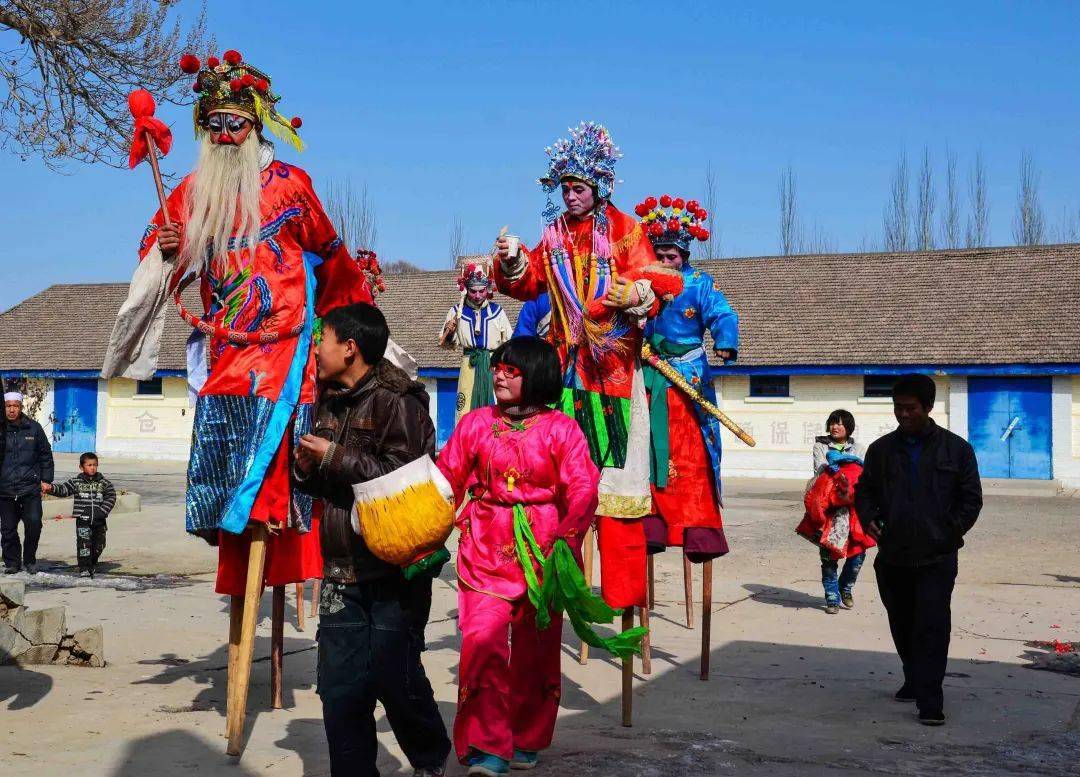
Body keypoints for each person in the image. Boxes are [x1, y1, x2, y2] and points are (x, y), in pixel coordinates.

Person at [103, 48, 374, 594]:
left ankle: (286, 563)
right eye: (217, 123)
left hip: (284, 350)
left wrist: (352, 325)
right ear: (206, 129)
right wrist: (168, 246)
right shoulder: (191, 191)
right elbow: (152, 250)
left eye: (238, 123)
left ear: (254, 125)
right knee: (224, 481)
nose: (227, 133)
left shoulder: (291, 184)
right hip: (225, 352)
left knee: (281, 481)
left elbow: (333, 254)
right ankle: (233, 559)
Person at [493, 121, 681, 612]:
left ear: (598, 187)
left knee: (615, 488)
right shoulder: (553, 233)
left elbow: (655, 280)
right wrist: (513, 260)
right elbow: (530, 280)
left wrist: (634, 293)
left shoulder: (623, 229)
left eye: (578, 188)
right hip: (564, 373)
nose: (571, 196)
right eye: (565, 188)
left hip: (612, 372)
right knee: (561, 488)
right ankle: (558, 588)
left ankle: (621, 599)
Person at [294, 303, 451, 777]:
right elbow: (322, 479)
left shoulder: (399, 401)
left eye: (323, 339)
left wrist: (335, 457)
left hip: (394, 571)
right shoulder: (323, 398)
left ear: (350, 347)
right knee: (340, 687)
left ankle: (429, 759)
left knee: (393, 675)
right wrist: (304, 472)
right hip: (341, 567)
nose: (316, 349)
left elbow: (403, 482)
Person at [436, 337, 601, 776]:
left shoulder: (562, 429)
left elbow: (583, 488)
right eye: (498, 367)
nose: (501, 375)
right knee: (482, 643)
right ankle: (488, 746)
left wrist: (568, 537)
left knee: (536, 651)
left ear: (538, 376)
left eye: (512, 369)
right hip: (483, 547)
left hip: (545, 551)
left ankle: (525, 736)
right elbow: (445, 478)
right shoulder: (474, 424)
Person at [854, 374, 982, 727]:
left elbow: (971, 500)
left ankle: (930, 700)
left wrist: (947, 533)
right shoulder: (881, 450)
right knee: (902, 621)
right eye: (898, 409)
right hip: (893, 555)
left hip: (936, 557)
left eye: (910, 408)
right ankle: (914, 678)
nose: (903, 415)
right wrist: (869, 519)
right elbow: (864, 492)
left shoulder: (957, 450)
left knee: (931, 625)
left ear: (928, 407)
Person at [638, 195, 737, 565]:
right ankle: (651, 520)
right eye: (659, 256)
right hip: (651, 372)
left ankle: (700, 525)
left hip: (690, 373)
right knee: (646, 441)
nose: (665, 263)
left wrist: (725, 340)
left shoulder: (700, 284)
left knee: (695, 445)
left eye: (671, 257)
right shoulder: (642, 285)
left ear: (685, 254)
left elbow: (722, 314)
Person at [439, 262, 513, 423]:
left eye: (482, 291)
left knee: (496, 407)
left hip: (493, 367)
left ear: (488, 289)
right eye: (473, 291)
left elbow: (510, 344)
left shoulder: (498, 312)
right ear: (466, 289)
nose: (478, 296)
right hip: (468, 366)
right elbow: (446, 344)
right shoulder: (455, 312)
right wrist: (450, 332)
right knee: (464, 407)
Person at [810, 409, 868, 613]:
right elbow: (821, 468)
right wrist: (840, 466)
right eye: (833, 423)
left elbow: (862, 475)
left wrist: (843, 465)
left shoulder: (859, 448)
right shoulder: (820, 446)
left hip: (853, 507)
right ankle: (832, 597)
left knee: (858, 552)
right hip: (829, 507)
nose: (835, 426)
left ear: (849, 427)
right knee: (828, 553)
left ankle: (846, 587)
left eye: (840, 423)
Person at [1, 391, 53, 575]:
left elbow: (45, 454)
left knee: (34, 524)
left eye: (15, 406)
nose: (12, 410)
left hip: (29, 488)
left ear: (21, 407)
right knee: (8, 530)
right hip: (5, 489)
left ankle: (30, 560)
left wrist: (46, 479)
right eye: (8, 406)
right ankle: (12, 563)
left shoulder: (34, 428)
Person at [42, 452, 116, 578]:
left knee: (99, 544)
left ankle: (92, 563)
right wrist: (50, 488)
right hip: (83, 520)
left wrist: (102, 511)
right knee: (84, 545)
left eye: (95, 465)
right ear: (81, 467)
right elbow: (64, 490)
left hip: (99, 521)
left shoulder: (104, 483)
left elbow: (111, 496)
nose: (92, 468)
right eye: (89, 465)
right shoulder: (76, 482)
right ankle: (84, 568)